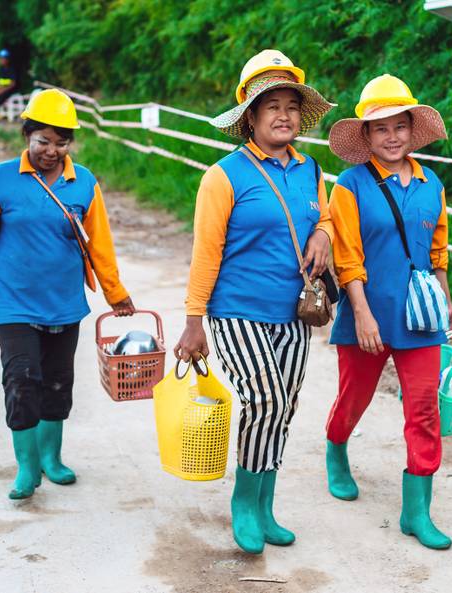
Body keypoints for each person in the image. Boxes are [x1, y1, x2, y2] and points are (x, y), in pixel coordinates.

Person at [174, 49, 335, 554]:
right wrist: (193, 320)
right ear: (250, 116)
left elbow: (324, 218)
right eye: (272, 106)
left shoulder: (311, 170)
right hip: (237, 310)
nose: (284, 115)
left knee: (282, 408)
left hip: (294, 312)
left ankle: (266, 506)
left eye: (291, 105)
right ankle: (243, 504)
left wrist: (325, 234)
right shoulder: (223, 177)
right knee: (262, 399)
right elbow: (206, 253)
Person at [0, 89, 135, 500]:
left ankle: (52, 458)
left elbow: (99, 244)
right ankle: (27, 467)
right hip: (14, 304)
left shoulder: (82, 183)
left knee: (57, 383)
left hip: (65, 303)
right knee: (21, 381)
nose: (51, 150)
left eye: (61, 142)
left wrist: (115, 293)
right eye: (42, 141)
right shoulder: (0, 180)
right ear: (26, 135)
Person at [323, 74, 452, 549]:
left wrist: (446, 301)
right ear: (365, 136)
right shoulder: (350, 185)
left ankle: (416, 512)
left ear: (412, 129)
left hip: (420, 319)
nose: (391, 137)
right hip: (368, 313)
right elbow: (346, 256)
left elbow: (437, 251)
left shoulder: (432, 185)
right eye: (380, 128)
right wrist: (361, 313)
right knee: (354, 399)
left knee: (424, 410)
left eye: (399, 126)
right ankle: (337, 445)